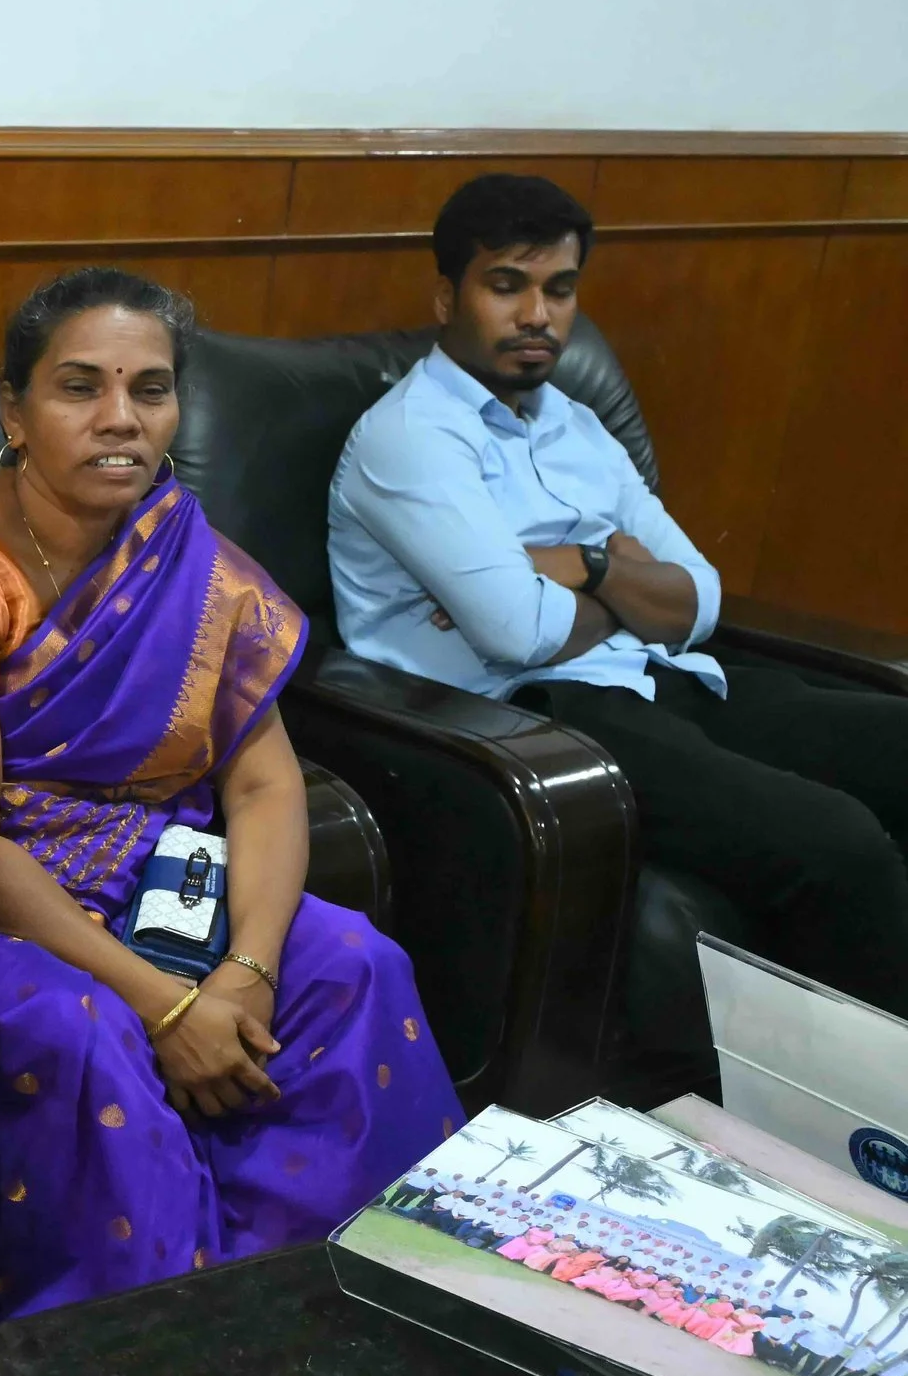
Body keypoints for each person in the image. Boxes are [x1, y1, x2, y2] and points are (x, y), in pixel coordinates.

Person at [0, 264, 464, 1323]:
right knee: (85, 1029)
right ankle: (129, 1351)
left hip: (139, 866)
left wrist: (246, 973)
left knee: (354, 964)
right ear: (12, 414)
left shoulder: (186, 558)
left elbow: (262, 784)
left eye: (149, 389)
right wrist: (165, 1003)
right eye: (79, 387)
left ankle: (325, 1306)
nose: (119, 418)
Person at [330, 173, 908, 1019]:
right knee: (838, 843)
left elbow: (702, 601)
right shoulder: (410, 437)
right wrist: (622, 576)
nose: (539, 315)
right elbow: (518, 634)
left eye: (559, 290)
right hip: (546, 719)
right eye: (507, 286)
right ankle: (874, 1127)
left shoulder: (576, 422)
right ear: (446, 295)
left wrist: (578, 566)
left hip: (672, 675)